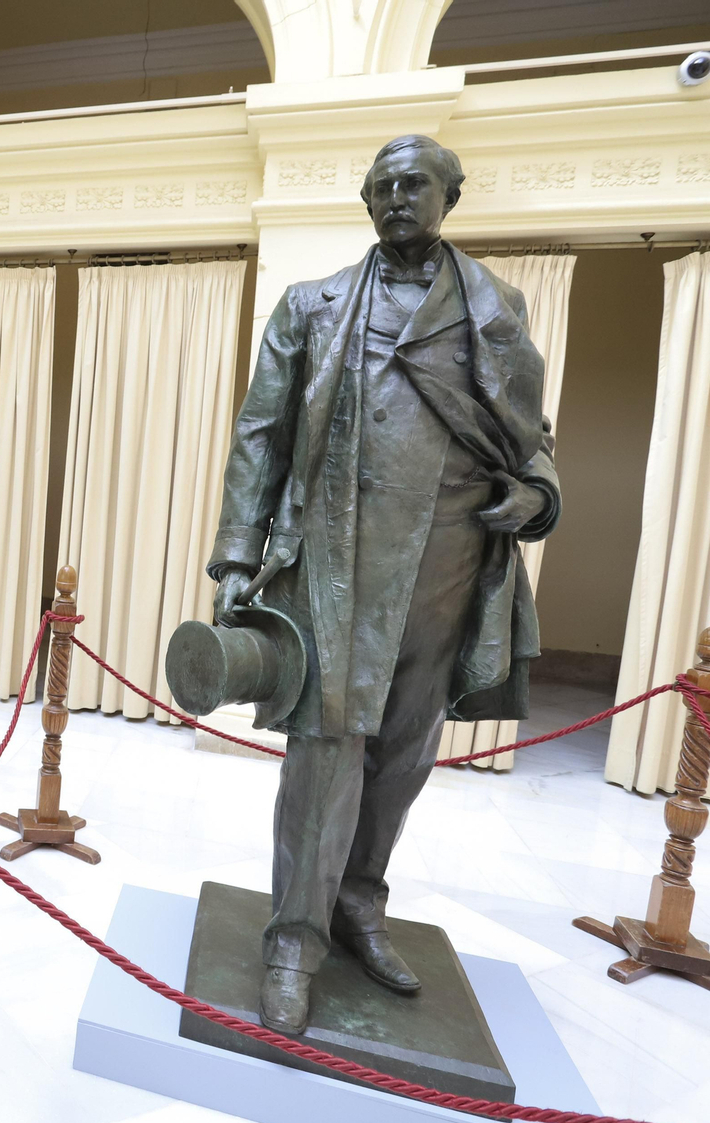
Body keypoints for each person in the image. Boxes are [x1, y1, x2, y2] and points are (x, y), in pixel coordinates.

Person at [207, 135, 561, 1033]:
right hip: (335, 559)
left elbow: (531, 436)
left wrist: (536, 491)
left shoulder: (497, 308)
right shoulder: (312, 305)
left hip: (447, 568)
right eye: (384, 186)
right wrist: (239, 558)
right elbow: (260, 435)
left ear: (450, 196)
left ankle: (360, 900)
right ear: (367, 201)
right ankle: (293, 937)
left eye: (416, 184)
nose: (399, 198)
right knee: (327, 750)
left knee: (404, 754)